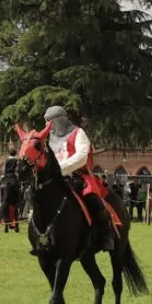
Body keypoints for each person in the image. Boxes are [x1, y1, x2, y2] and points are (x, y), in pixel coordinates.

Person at [44, 105, 116, 251]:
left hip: (78, 175)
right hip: (55, 177)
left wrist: (60, 169)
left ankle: (105, 235)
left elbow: (81, 157)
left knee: (92, 198)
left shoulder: (78, 133)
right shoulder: (49, 138)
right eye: (45, 121)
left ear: (59, 120)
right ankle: (42, 236)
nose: (47, 125)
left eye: (49, 121)